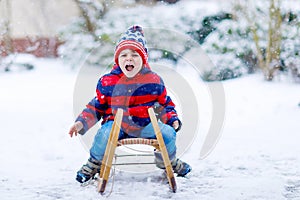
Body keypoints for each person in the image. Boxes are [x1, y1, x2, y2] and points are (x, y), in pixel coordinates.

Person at [68, 25, 192, 183]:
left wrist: (172, 119)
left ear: (144, 59)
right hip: (116, 125)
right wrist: (81, 123)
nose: (129, 58)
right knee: (104, 135)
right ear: (117, 60)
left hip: (145, 125)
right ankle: (94, 163)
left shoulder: (153, 81)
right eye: (124, 55)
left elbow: (164, 104)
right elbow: (96, 106)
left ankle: (167, 160)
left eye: (135, 55)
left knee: (168, 133)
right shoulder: (108, 82)